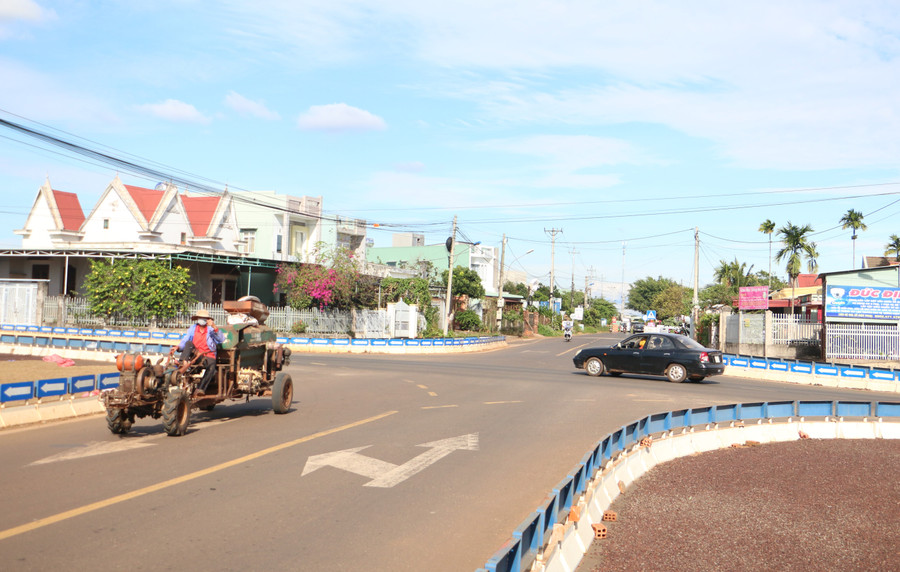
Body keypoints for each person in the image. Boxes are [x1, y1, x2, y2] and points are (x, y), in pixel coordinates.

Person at [175, 309, 225, 396]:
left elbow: (221, 339)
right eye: (200, 318)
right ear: (197, 319)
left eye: (204, 318)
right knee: (189, 343)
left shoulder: (210, 330)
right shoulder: (193, 328)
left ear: (207, 320)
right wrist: (178, 347)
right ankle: (182, 362)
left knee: (211, 368)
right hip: (196, 354)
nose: (202, 320)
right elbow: (185, 340)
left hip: (208, 354)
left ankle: (200, 389)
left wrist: (214, 326)